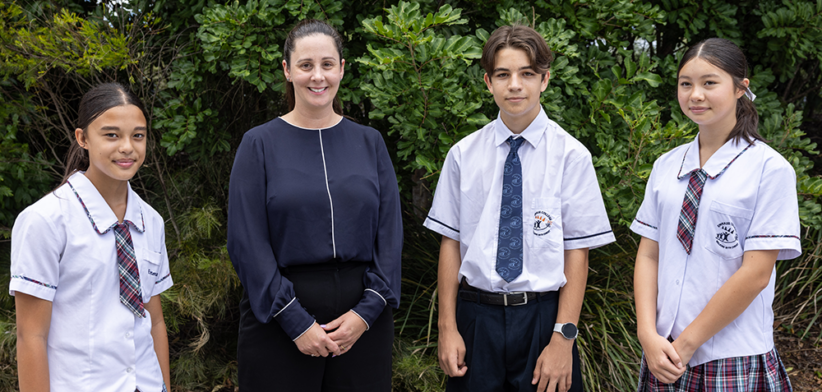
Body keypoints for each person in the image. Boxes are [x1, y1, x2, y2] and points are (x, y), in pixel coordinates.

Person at [424, 25, 615, 392]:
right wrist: (447, 328)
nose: (514, 84)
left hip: (544, 321)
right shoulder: (463, 155)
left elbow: (577, 252)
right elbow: (450, 243)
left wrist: (564, 339)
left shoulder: (571, 156)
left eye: (527, 73)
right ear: (487, 81)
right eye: (503, 74)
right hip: (476, 320)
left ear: (544, 80)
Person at [227, 18, 402, 392]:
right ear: (288, 71)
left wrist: (366, 312)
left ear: (341, 69)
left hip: (361, 320)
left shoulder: (370, 142)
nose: (317, 76)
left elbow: (389, 236)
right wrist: (294, 320)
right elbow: (247, 242)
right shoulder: (258, 145)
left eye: (327, 64)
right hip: (278, 319)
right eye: (306, 65)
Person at [631, 38, 798, 391]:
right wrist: (647, 333)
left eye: (710, 83)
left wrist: (687, 344)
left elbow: (755, 273)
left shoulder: (770, 169)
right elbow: (649, 253)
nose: (695, 95)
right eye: (686, 83)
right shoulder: (666, 166)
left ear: (741, 88)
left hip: (730, 356)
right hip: (664, 351)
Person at [10, 83, 172, 392]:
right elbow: (31, 336)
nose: (127, 147)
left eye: (138, 135)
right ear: (82, 138)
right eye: (112, 135)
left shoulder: (150, 221)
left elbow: (155, 322)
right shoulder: (45, 220)